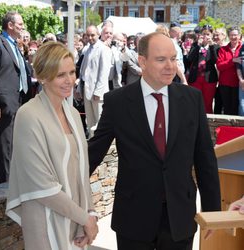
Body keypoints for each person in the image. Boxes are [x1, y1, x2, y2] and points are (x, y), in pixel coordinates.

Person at [88, 32, 221, 250]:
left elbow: (205, 157)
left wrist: (212, 210)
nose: (170, 66)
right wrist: (65, 191)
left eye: (173, 58)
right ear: (142, 62)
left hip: (180, 217)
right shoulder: (118, 102)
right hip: (133, 218)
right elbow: (93, 154)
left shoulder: (192, 99)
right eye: (161, 59)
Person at [6, 42, 98, 250]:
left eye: (72, 72)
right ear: (43, 77)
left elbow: (81, 174)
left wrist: (89, 214)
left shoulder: (73, 114)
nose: (69, 81)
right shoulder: (28, 115)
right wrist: (84, 218)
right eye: (60, 75)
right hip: (45, 222)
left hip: (76, 222)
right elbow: (41, 185)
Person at [0, 11, 32, 184]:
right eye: (20, 24)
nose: (22, 27)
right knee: (4, 147)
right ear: (10, 25)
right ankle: (5, 185)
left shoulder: (15, 45)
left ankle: (13, 181)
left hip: (18, 101)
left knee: (14, 145)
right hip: (4, 105)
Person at [78, 25, 111, 137]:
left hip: (97, 93)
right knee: (90, 123)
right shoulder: (87, 50)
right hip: (87, 92)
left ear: (98, 35)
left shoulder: (104, 49)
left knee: (99, 124)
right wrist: (79, 89)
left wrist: (98, 92)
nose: (90, 37)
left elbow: (104, 73)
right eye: (88, 35)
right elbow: (83, 71)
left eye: (92, 35)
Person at [187, 25, 219, 113]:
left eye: (208, 34)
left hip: (209, 78)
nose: (205, 36)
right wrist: (198, 46)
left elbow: (215, 61)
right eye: (203, 34)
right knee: (195, 102)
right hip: (195, 78)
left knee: (207, 103)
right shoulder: (195, 45)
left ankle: (208, 123)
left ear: (211, 35)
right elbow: (189, 59)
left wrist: (211, 46)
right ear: (200, 35)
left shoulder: (215, 47)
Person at [216, 26, 242, 115]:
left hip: (239, 84)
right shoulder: (223, 50)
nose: (233, 37)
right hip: (225, 84)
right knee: (227, 108)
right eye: (231, 35)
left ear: (240, 36)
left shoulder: (242, 49)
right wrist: (232, 61)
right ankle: (227, 128)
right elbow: (219, 66)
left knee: (238, 107)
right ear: (228, 36)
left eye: (235, 35)